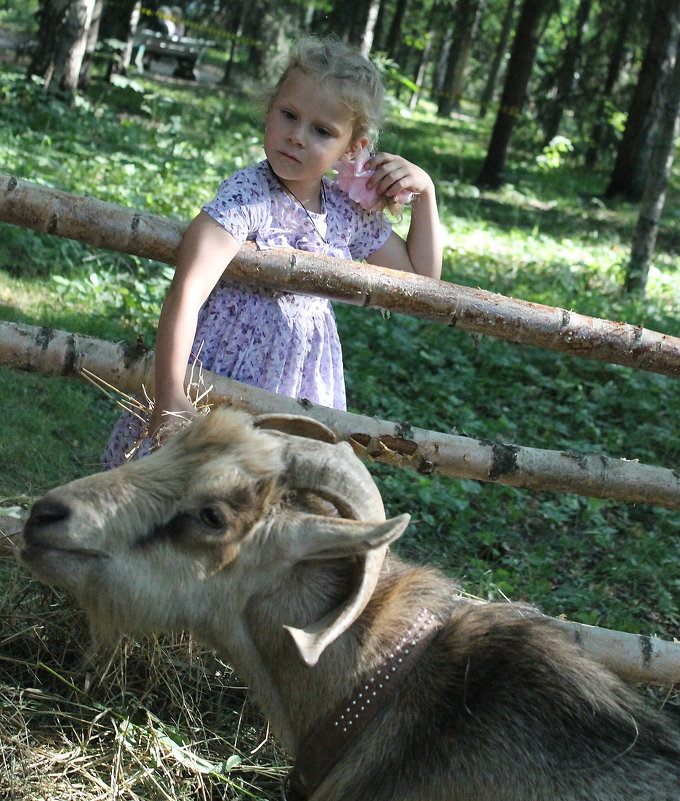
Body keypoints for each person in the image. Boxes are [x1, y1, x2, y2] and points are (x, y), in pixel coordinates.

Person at [102, 35, 442, 468]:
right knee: (189, 490)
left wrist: (426, 194)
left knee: (265, 499)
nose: (297, 137)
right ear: (270, 109)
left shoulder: (345, 212)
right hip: (224, 374)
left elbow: (423, 285)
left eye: (322, 131)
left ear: (352, 148)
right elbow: (187, 291)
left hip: (299, 385)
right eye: (288, 115)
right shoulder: (248, 196)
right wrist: (171, 396)